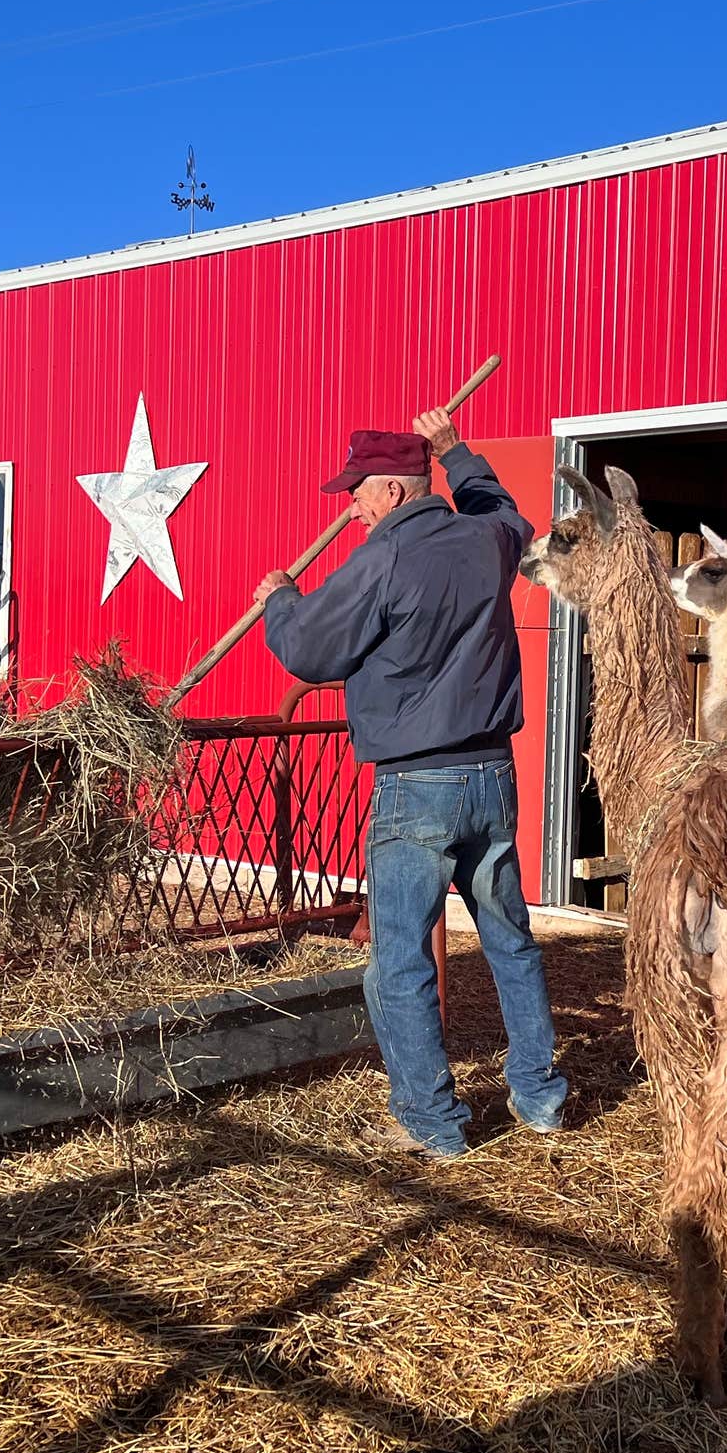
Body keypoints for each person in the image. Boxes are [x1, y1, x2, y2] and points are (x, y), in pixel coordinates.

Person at [254, 406, 567, 1160]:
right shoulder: (487, 541)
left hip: (415, 787)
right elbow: (508, 513)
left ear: (393, 493)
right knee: (511, 943)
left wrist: (280, 600)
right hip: (492, 778)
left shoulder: (382, 560)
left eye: (358, 491)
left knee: (399, 960)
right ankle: (540, 1097)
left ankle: (433, 1121)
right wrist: (460, 454)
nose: (351, 506)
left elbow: (308, 650)